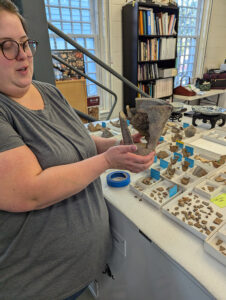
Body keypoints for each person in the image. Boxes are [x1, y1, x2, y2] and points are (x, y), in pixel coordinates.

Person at [0, 1, 155, 299]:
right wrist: (107, 161)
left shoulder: (49, 91)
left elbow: (80, 142)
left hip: (84, 270)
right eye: (7, 45)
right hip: (41, 285)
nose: (23, 54)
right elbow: (30, 191)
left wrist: (116, 145)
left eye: (23, 42)